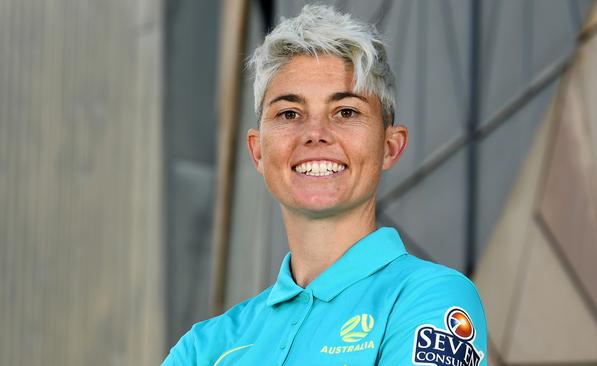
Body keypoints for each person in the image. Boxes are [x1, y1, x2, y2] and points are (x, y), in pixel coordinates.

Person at [162, 4, 487, 366]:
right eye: (289, 113)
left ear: (390, 146)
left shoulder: (432, 299)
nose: (315, 134)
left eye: (346, 112)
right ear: (257, 151)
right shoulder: (206, 345)